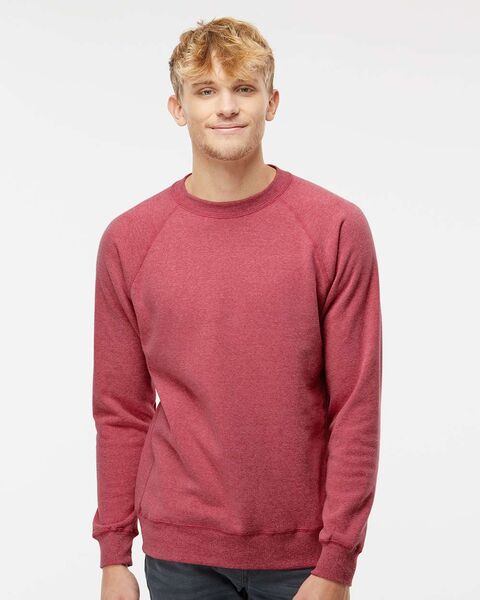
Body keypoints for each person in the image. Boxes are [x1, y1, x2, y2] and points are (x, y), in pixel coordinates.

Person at [91, 15, 382, 600]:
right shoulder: (130, 240)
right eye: (206, 91)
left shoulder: (334, 228)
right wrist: (114, 554)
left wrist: (337, 561)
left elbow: (355, 405)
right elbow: (120, 409)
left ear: (271, 102)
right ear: (177, 108)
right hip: (179, 554)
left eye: (243, 88)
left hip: (304, 556)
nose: (226, 107)